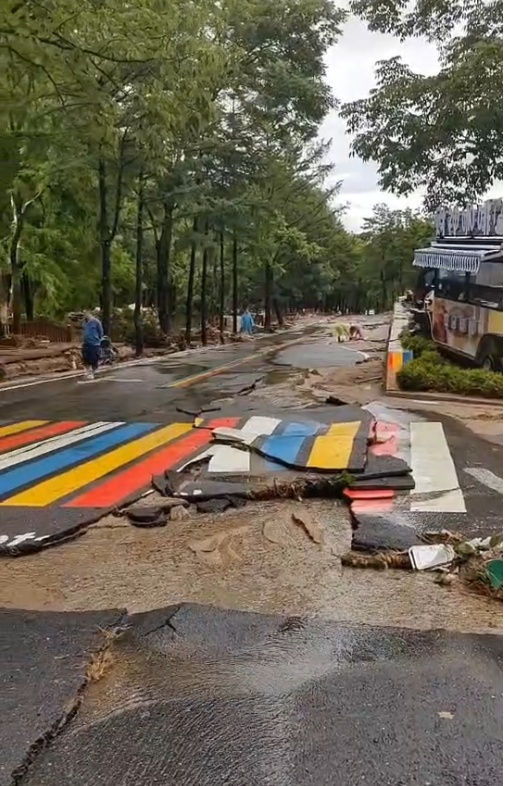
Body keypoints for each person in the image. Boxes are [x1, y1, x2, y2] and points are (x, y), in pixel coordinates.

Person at [82, 311, 104, 380]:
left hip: (94, 343)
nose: (84, 315)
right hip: (86, 343)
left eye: (85, 314)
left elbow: (101, 332)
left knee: (93, 359)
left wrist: (97, 339)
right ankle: (88, 371)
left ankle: (93, 372)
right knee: (85, 358)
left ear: (89, 313)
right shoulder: (85, 323)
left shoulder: (96, 322)